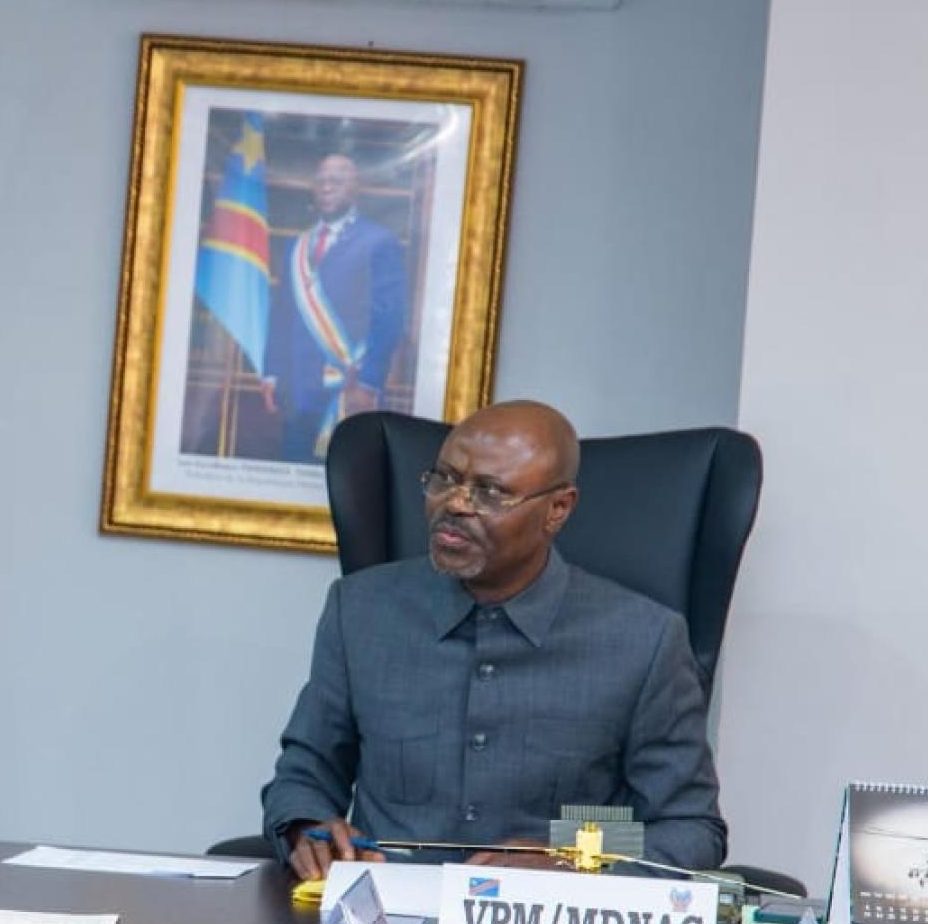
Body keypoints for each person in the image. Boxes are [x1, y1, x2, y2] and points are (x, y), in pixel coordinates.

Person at [263, 399, 728, 880]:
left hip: (546, 918)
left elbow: (689, 828)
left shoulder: (644, 640)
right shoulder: (360, 610)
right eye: (444, 478)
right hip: (386, 909)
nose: (455, 504)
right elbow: (305, 775)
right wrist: (306, 827)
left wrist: (569, 856)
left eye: (489, 492)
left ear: (558, 509)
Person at [261, 153, 408, 462]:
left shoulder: (379, 242)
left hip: (350, 387)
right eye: (321, 181)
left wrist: (369, 383)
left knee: (342, 477)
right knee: (292, 473)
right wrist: (272, 374)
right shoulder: (297, 246)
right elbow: (281, 315)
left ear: (355, 189)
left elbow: (389, 317)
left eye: (337, 181)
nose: (327, 188)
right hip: (296, 390)